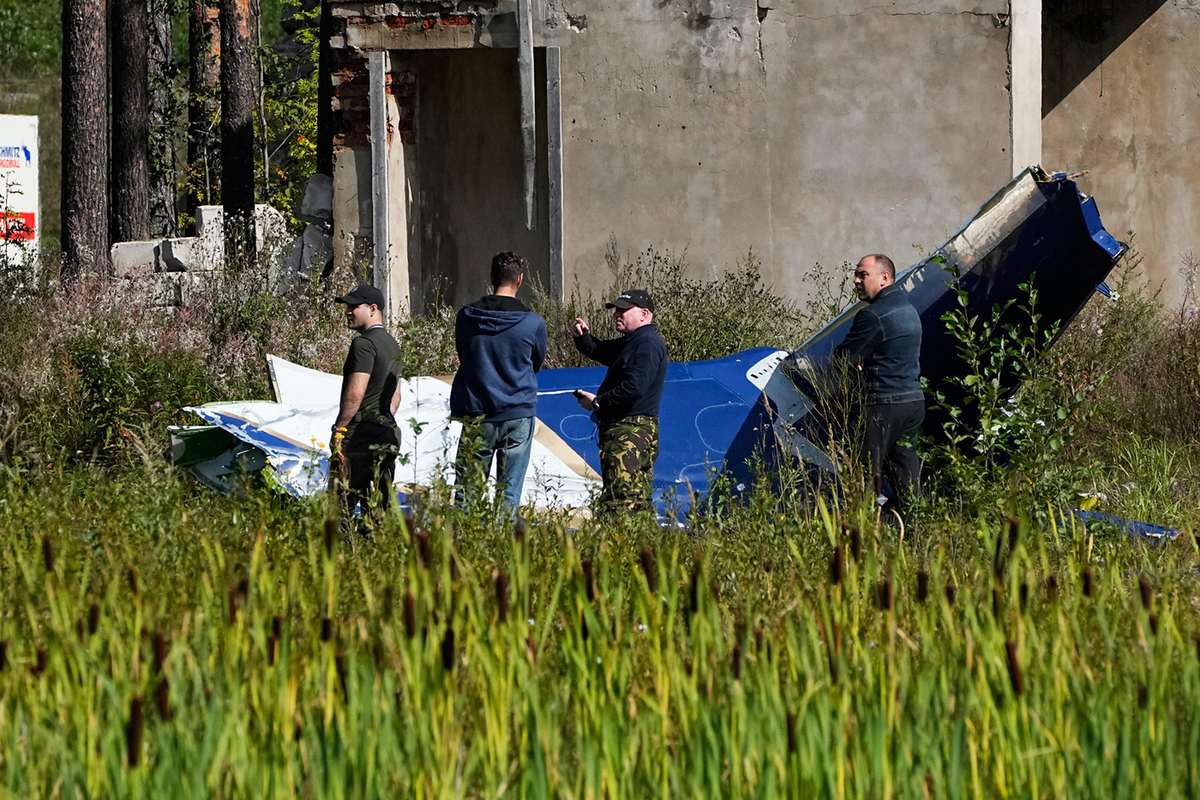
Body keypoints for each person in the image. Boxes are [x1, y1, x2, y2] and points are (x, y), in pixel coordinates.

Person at [449, 251, 548, 512]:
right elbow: (534, 364)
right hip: (517, 411)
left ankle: (462, 547)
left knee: (467, 494)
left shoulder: (466, 316)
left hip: (477, 411)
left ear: (490, 278)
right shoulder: (532, 323)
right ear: (520, 279)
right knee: (508, 494)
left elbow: (464, 354)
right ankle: (503, 547)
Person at [834, 254, 924, 510]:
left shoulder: (874, 315)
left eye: (863, 275)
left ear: (885, 278)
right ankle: (914, 534)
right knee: (908, 481)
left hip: (883, 405)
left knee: (863, 479)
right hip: (913, 403)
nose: (856, 281)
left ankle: (861, 534)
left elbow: (843, 359)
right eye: (856, 275)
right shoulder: (909, 310)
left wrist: (855, 360)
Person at [572, 289, 668, 516]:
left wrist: (598, 402)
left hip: (630, 433)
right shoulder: (633, 342)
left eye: (624, 310)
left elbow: (634, 389)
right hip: (628, 432)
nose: (617, 314)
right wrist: (582, 337)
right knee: (634, 502)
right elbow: (600, 350)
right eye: (616, 309)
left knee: (622, 504)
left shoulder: (646, 344)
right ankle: (640, 547)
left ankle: (623, 547)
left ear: (644, 314)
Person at [330, 284, 403, 524]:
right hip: (387, 431)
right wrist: (382, 421)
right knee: (378, 510)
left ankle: (338, 556)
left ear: (373, 309)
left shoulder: (363, 344)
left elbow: (356, 392)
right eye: (347, 307)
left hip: (360, 434)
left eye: (354, 306)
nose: (348, 311)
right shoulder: (393, 345)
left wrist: (339, 430)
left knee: (340, 506)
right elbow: (395, 397)